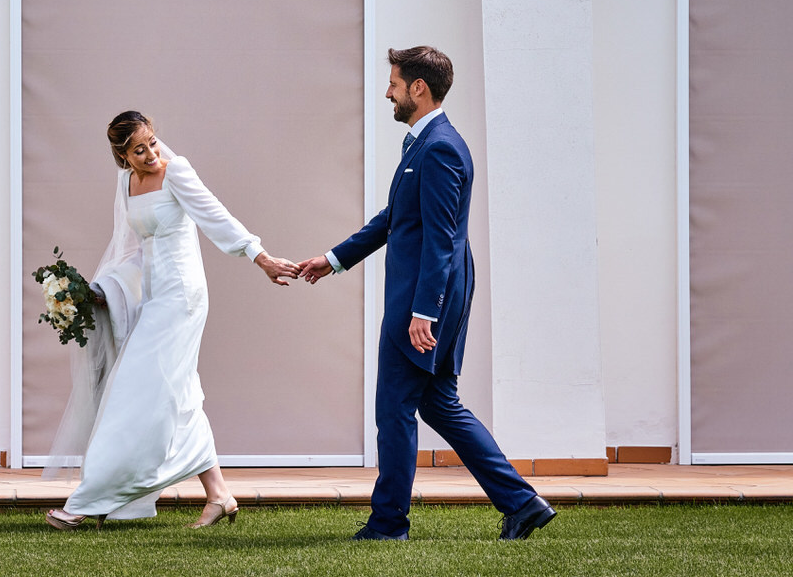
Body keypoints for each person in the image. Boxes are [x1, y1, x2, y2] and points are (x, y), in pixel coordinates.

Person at [298, 47, 556, 542]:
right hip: (433, 298)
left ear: (418, 88)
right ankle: (523, 504)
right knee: (439, 404)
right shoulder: (424, 144)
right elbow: (396, 218)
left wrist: (424, 312)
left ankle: (388, 524)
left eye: (394, 84)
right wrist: (333, 259)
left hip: (422, 303)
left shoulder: (439, 149)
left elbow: (442, 239)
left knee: (394, 409)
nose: (387, 93)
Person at [44, 110, 300, 531]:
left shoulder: (176, 171)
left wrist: (261, 257)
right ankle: (219, 494)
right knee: (178, 394)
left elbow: (216, 216)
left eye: (152, 142)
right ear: (122, 156)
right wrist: (102, 289)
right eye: (138, 150)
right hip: (153, 296)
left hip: (182, 297)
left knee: (132, 391)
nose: (151, 155)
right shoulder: (126, 184)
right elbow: (132, 248)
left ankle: (88, 500)